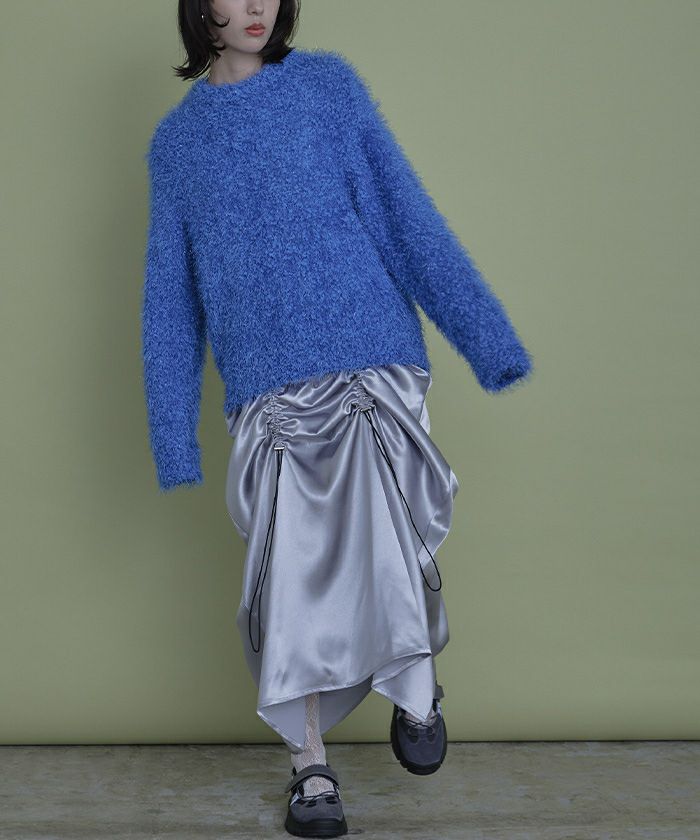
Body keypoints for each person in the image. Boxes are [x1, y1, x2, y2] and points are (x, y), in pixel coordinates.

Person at [141, 1, 534, 836]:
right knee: (292, 582)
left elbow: (403, 212)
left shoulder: (328, 88)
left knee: (389, 542)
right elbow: (169, 295)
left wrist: (487, 340)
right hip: (266, 386)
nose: (256, 6)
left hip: (368, 353)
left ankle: (416, 687)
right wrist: (172, 433)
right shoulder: (178, 145)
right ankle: (309, 765)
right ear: (200, 6)